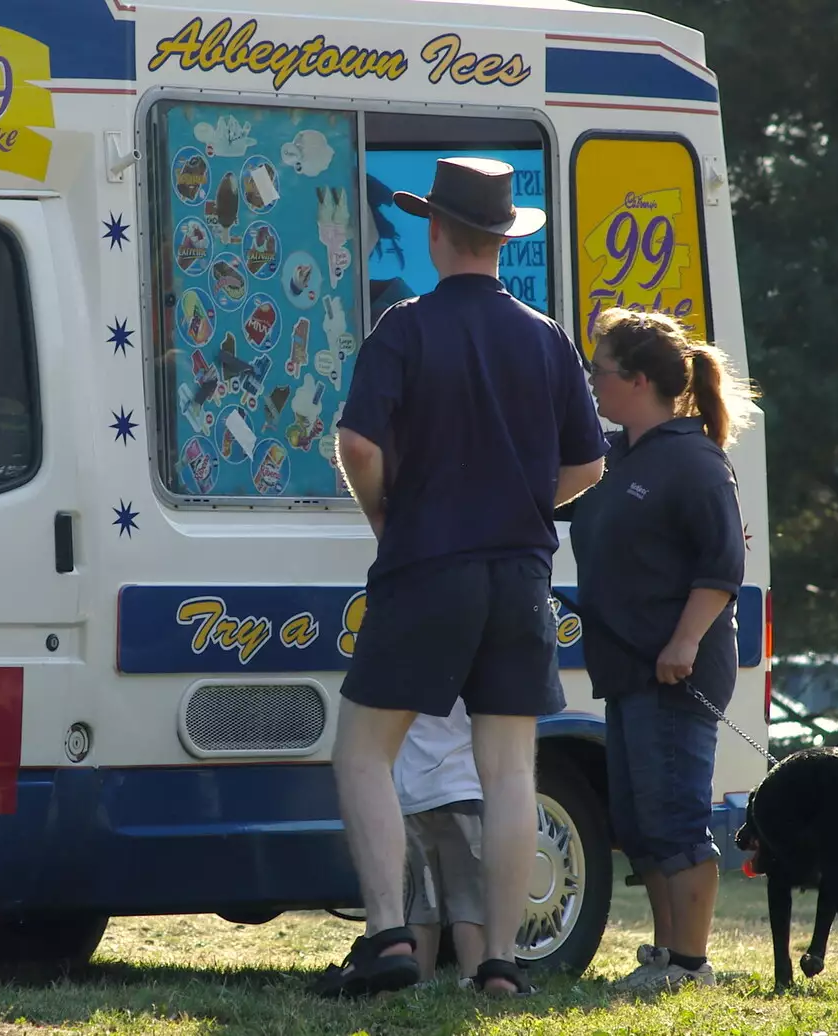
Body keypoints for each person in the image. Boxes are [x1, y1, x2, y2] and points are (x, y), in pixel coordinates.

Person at [315, 156, 608, 999]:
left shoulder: (403, 327)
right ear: (499, 238)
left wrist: (388, 515)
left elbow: (360, 444)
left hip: (428, 566)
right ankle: (501, 964)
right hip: (521, 575)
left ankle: (389, 942)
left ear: (436, 233)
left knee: (365, 752)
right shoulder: (548, 336)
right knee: (511, 770)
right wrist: (517, 502)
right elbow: (587, 462)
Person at [565, 307, 756, 993]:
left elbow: (722, 566)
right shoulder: (618, 457)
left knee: (676, 818)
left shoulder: (694, 461)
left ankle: (690, 963)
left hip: (676, 670)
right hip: (626, 669)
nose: (592, 384)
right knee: (639, 821)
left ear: (638, 381)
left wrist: (683, 639)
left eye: (600, 372)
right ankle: (665, 953)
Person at [394, 700, 487, 987]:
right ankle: (472, 976)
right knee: (468, 898)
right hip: (463, 788)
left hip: (412, 793)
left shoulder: (404, 667)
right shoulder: (471, 664)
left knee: (422, 899)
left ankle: (420, 979)